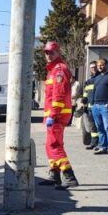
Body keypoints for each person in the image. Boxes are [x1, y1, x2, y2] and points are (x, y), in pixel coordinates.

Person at [39, 41, 78, 189]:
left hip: (57, 115)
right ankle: (54, 175)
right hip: (54, 114)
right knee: (51, 145)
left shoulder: (59, 70)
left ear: (58, 53)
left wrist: (53, 115)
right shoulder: (53, 70)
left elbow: (59, 96)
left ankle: (69, 176)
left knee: (54, 145)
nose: (48, 55)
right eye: (46, 53)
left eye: (51, 52)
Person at [89, 58, 108, 157]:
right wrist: (92, 103)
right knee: (100, 128)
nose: (100, 67)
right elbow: (93, 91)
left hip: (106, 106)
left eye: (101, 65)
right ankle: (103, 147)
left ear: (106, 65)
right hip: (96, 106)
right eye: (98, 66)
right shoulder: (97, 78)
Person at [80, 60, 100, 149]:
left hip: (98, 106)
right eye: (92, 67)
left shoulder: (100, 79)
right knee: (92, 127)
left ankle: (101, 144)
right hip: (89, 108)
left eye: (95, 67)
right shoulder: (88, 81)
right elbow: (85, 94)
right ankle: (94, 143)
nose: (94, 69)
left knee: (100, 126)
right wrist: (83, 102)